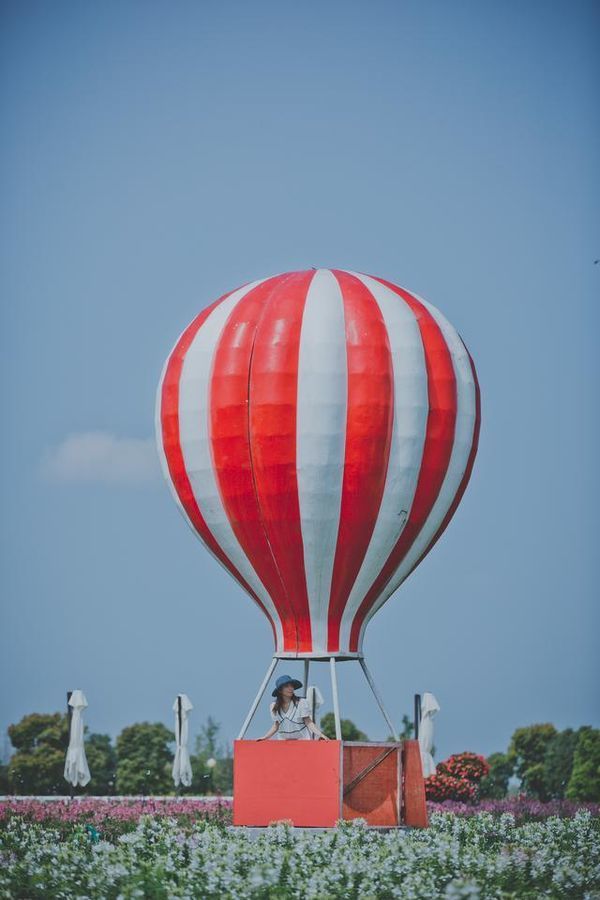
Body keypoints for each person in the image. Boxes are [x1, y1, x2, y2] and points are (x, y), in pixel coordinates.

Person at [256, 674, 330, 741]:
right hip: (284, 742)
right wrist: (265, 737)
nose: (291, 688)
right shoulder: (273, 706)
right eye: (287, 686)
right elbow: (276, 725)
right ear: (280, 691)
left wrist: (321, 735)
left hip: (303, 740)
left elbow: (308, 722)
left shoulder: (301, 702)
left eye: (291, 686)